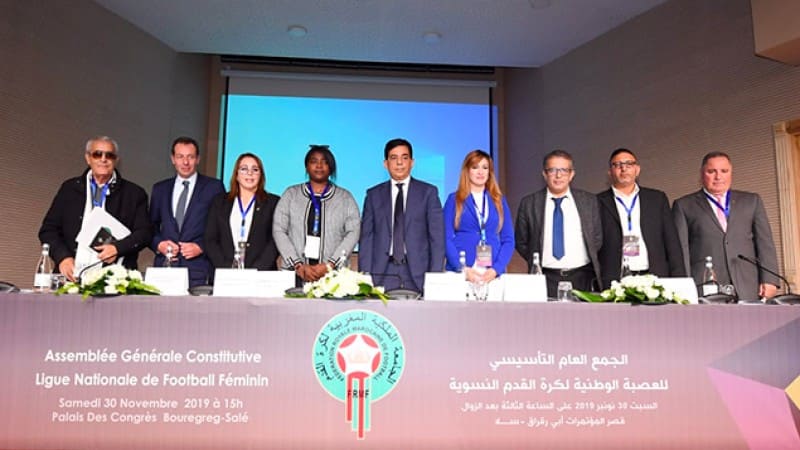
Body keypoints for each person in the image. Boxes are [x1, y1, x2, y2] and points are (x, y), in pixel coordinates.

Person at [38, 136, 152, 281]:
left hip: (117, 278)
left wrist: (118, 248)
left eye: (109, 155)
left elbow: (145, 233)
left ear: (116, 160)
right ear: (88, 158)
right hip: (71, 276)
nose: (103, 159)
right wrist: (63, 258)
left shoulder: (134, 193)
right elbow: (48, 230)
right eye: (97, 154)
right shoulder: (69, 189)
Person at [672, 151, 779, 300]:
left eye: (724, 171)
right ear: (702, 174)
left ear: (731, 172)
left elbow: (764, 242)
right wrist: (684, 286)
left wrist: (770, 279)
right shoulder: (684, 205)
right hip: (705, 283)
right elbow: (681, 250)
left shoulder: (751, 201)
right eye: (711, 171)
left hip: (747, 282)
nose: (718, 177)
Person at [359, 138, 444, 292]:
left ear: (412, 162)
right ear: (385, 164)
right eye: (394, 158)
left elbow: (437, 238)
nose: (399, 163)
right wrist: (365, 277)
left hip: (418, 273)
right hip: (382, 272)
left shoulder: (428, 193)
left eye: (404, 158)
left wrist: (435, 278)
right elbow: (366, 239)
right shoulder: (373, 195)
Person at [515, 149, 602, 297]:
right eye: (552, 170)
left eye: (564, 170)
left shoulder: (589, 201)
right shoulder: (529, 203)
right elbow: (522, 242)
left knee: (583, 320)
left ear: (572, 174)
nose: (558, 175)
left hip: (582, 277)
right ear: (544, 174)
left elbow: (597, 238)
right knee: (546, 320)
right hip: (544, 278)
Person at [273, 145, 360, 285]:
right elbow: (279, 229)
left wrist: (330, 265)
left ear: (331, 168)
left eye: (324, 161)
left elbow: (353, 232)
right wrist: (298, 265)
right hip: (294, 274)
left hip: (334, 276)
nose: (319, 165)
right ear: (306, 167)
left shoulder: (345, 198)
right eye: (314, 161)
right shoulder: (291, 194)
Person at [597, 148, 685, 287]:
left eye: (629, 164)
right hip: (614, 278)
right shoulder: (597, 202)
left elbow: (672, 242)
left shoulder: (656, 199)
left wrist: (680, 281)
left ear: (637, 170)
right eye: (617, 165)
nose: (623, 168)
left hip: (654, 276)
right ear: (610, 172)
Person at [149, 137, 224, 286]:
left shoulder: (213, 187)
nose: (185, 162)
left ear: (198, 159)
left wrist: (201, 247)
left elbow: (222, 228)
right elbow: (150, 227)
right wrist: (159, 244)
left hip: (198, 269)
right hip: (165, 269)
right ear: (172, 159)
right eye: (180, 156)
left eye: (190, 157)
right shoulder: (160, 189)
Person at [444, 150, 514, 284]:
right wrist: (462, 268)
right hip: (462, 272)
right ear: (467, 171)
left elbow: (508, 239)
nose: (480, 172)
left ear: (490, 172)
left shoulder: (499, 200)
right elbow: (445, 238)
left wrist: (496, 269)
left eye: (485, 167)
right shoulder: (454, 199)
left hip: (491, 273)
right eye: (475, 167)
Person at [205, 153, 280, 273]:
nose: (250, 173)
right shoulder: (220, 202)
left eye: (255, 169)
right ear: (236, 175)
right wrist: (227, 268)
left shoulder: (273, 203)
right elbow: (210, 240)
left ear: (261, 175)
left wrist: (256, 270)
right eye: (244, 169)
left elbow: (275, 241)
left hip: (261, 275)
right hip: (226, 274)